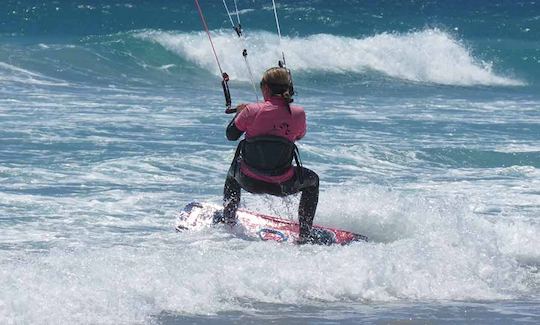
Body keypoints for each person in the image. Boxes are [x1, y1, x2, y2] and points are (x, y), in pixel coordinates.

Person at [220, 67, 319, 243]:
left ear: (266, 88)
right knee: (313, 180)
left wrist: (239, 114)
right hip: (283, 184)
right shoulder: (298, 113)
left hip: (248, 180)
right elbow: (298, 136)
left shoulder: (250, 111)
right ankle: (304, 235)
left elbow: (231, 135)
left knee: (232, 173)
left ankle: (228, 222)